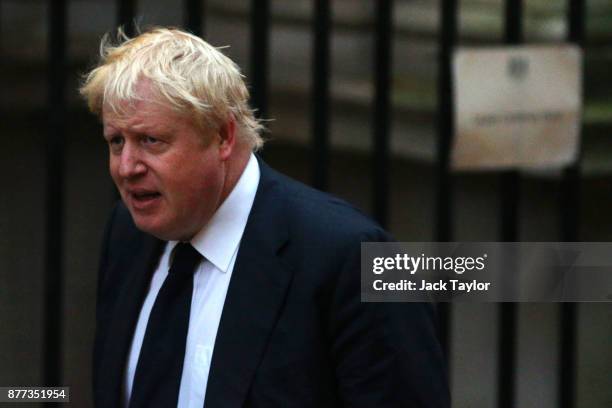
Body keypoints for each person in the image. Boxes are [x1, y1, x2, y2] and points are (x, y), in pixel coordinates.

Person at [80, 27, 449, 408]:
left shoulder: (351, 256)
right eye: (116, 141)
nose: (126, 168)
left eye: (150, 141)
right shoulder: (127, 232)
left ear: (223, 136)